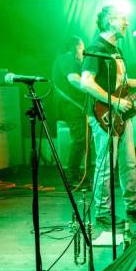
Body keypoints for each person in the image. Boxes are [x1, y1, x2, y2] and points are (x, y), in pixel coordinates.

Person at [81, 5, 136, 223]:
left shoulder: (116, 50)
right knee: (105, 166)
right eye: (123, 19)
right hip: (103, 115)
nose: (127, 23)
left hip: (120, 114)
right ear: (110, 21)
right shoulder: (96, 48)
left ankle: (133, 205)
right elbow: (86, 82)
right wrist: (115, 102)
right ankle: (102, 213)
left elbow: (124, 82)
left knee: (128, 162)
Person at [52, 35, 89, 187]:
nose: (83, 51)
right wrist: (92, 89)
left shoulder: (66, 59)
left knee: (83, 139)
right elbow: (73, 79)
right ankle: (72, 177)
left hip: (75, 106)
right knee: (79, 139)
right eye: (81, 47)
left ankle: (78, 175)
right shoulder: (66, 58)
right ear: (74, 46)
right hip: (72, 106)